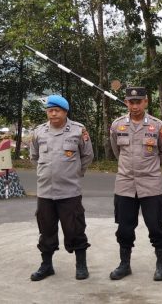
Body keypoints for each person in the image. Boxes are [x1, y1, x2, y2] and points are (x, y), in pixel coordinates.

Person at [108, 87, 162, 281]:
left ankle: (161, 265)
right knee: (124, 227)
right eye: (131, 102)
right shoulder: (117, 126)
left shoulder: (158, 126)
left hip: (150, 185)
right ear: (126, 103)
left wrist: (148, 169)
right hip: (125, 184)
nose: (134, 106)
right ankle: (124, 264)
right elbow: (117, 152)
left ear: (145, 102)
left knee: (156, 226)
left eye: (138, 102)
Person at [28, 94, 94, 281]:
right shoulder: (39, 132)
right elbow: (34, 157)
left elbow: (87, 156)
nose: (53, 114)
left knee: (75, 228)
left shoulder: (77, 130)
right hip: (45, 192)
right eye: (50, 110)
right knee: (46, 229)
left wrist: (74, 174)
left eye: (57, 110)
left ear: (65, 112)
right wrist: (45, 173)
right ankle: (46, 266)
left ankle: (81, 265)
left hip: (70, 191)